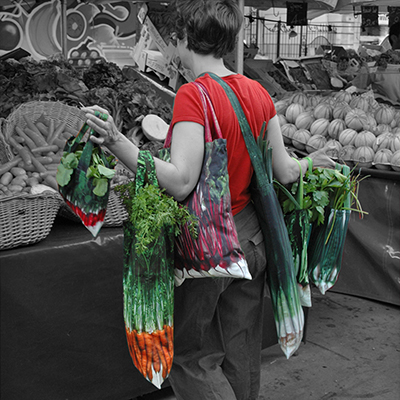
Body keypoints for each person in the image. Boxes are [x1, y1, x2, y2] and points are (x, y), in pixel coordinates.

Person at [82, 1, 335, 398]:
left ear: (183, 40)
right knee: (241, 347)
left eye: (175, 42)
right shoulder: (258, 93)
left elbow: (182, 182)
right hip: (253, 239)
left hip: (210, 247)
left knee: (191, 357)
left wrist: (117, 142)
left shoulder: (193, 95)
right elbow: (285, 171)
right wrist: (310, 162)